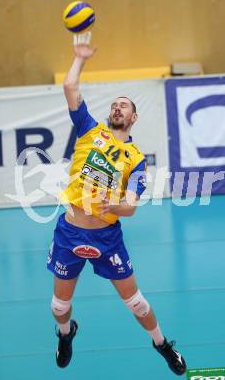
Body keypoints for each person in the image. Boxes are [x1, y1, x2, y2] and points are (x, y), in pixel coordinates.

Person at [47, 32, 187, 376]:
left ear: (134, 117)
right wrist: (80, 58)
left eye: (124, 105)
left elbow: (132, 206)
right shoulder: (88, 129)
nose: (117, 107)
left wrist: (113, 205)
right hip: (70, 232)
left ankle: (162, 344)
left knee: (136, 303)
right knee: (59, 305)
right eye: (115, 104)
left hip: (106, 238)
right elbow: (70, 88)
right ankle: (66, 334)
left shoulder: (136, 159)